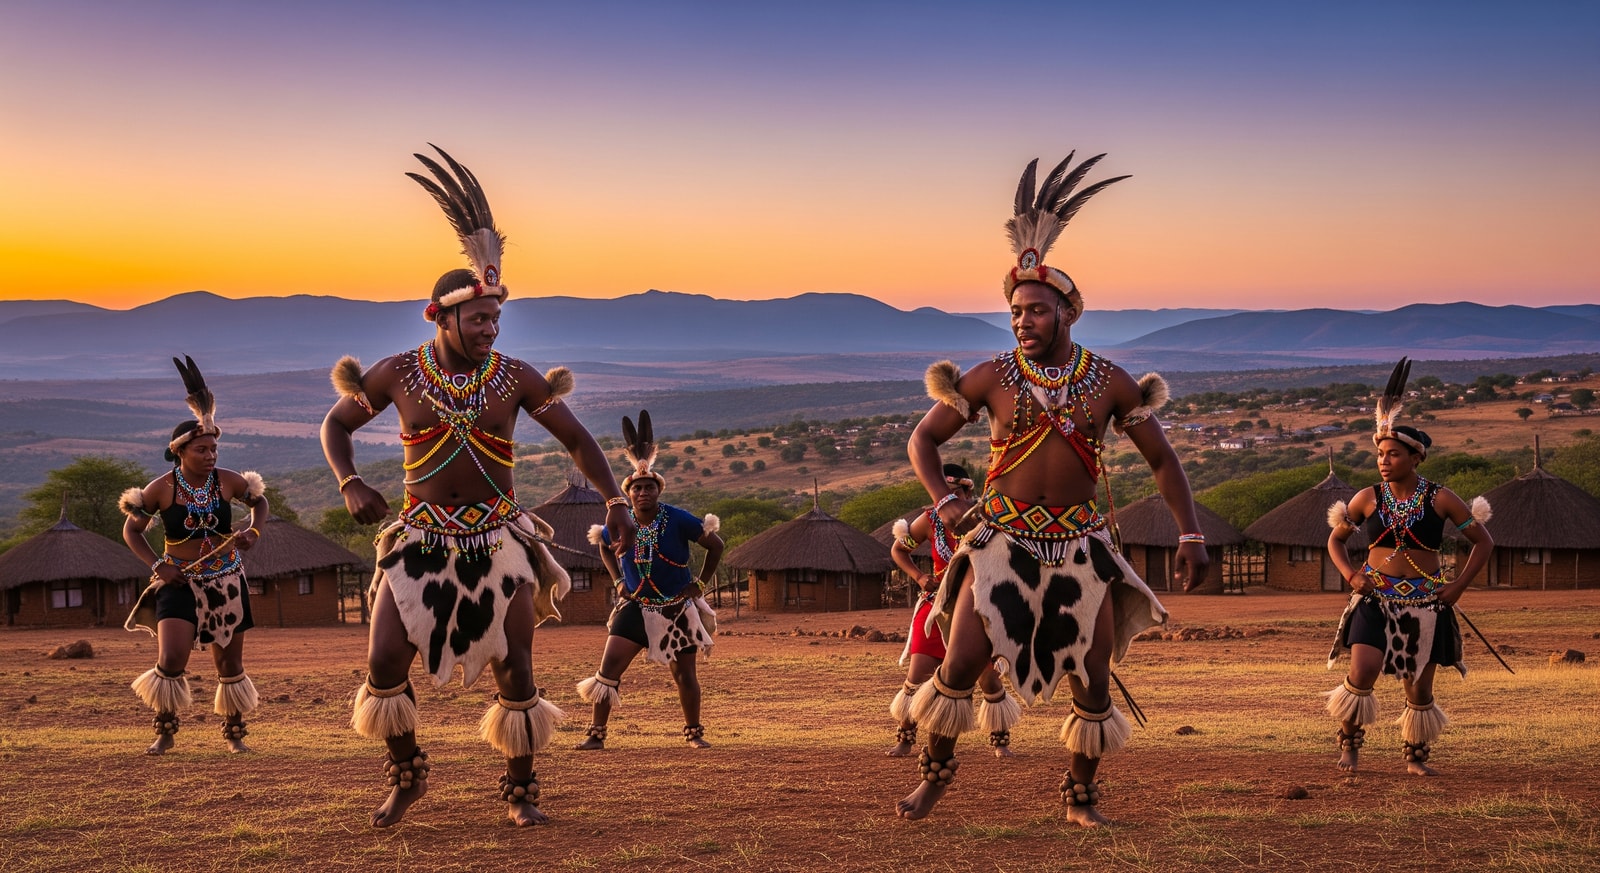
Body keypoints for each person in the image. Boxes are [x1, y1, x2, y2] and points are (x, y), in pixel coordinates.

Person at [321, 146, 636, 828]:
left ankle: (522, 793)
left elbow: (578, 439)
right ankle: (408, 775)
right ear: (441, 317)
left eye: (496, 320)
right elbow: (336, 423)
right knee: (384, 663)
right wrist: (349, 481)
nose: (490, 330)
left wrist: (614, 497)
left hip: (498, 539)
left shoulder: (515, 377)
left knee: (515, 668)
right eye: (478, 320)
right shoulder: (398, 373)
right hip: (420, 538)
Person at [897, 151, 1208, 827]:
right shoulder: (990, 376)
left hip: (1078, 548)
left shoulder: (1109, 381)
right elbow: (923, 440)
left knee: (1092, 681)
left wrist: (1190, 531)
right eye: (1015, 312)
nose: (1022, 321)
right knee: (960, 666)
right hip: (1000, 542)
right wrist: (946, 502)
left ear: (1068, 312)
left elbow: (1163, 459)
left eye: (1036, 310)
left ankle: (1080, 796)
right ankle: (934, 776)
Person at [1324, 358, 1493, 775]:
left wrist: (1457, 587)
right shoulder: (1368, 498)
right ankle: (1349, 746)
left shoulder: (1441, 499)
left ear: (1416, 458)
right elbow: (1335, 540)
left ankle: (1415, 758)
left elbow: (1483, 542)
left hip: (1425, 603)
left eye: (1393, 454)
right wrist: (1351, 575)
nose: (1384, 461)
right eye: (1380, 454)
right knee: (1362, 671)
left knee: (1418, 687)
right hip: (1375, 599)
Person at [121, 356, 269, 756]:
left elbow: (260, 502)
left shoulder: (228, 482)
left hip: (227, 581)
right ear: (180, 451)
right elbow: (132, 531)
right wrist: (159, 566)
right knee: (171, 658)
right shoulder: (160, 489)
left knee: (229, 665)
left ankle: (235, 734)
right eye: (201, 449)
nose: (210, 455)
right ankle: (165, 731)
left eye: (214, 449)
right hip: (179, 582)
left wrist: (253, 531)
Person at [575, 410, 724, 750]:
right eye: (637, 488)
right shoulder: (619, 521)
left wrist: (700, 584)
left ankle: (694, 734)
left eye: (649, 487)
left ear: (658, 490)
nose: (643, 492)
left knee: (685, 675)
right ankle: (596, 735)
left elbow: (715, 545)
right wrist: (618, 582)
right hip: (635, 606)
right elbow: (603, 545)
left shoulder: (678, 518)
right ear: (628, 494)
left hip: (676, 608)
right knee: (608, 671)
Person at [887, 463, 1021, 759]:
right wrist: (919, 577)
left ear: (967, 492)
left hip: (976, 607)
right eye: (942, 493)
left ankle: (1000, 741)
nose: (948, 499)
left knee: (987, 677)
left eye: (955, 493)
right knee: (917, 675)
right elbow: (899, 549)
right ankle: (905, 738)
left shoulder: (987, 519)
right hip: (935, 607)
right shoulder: (929, 520)